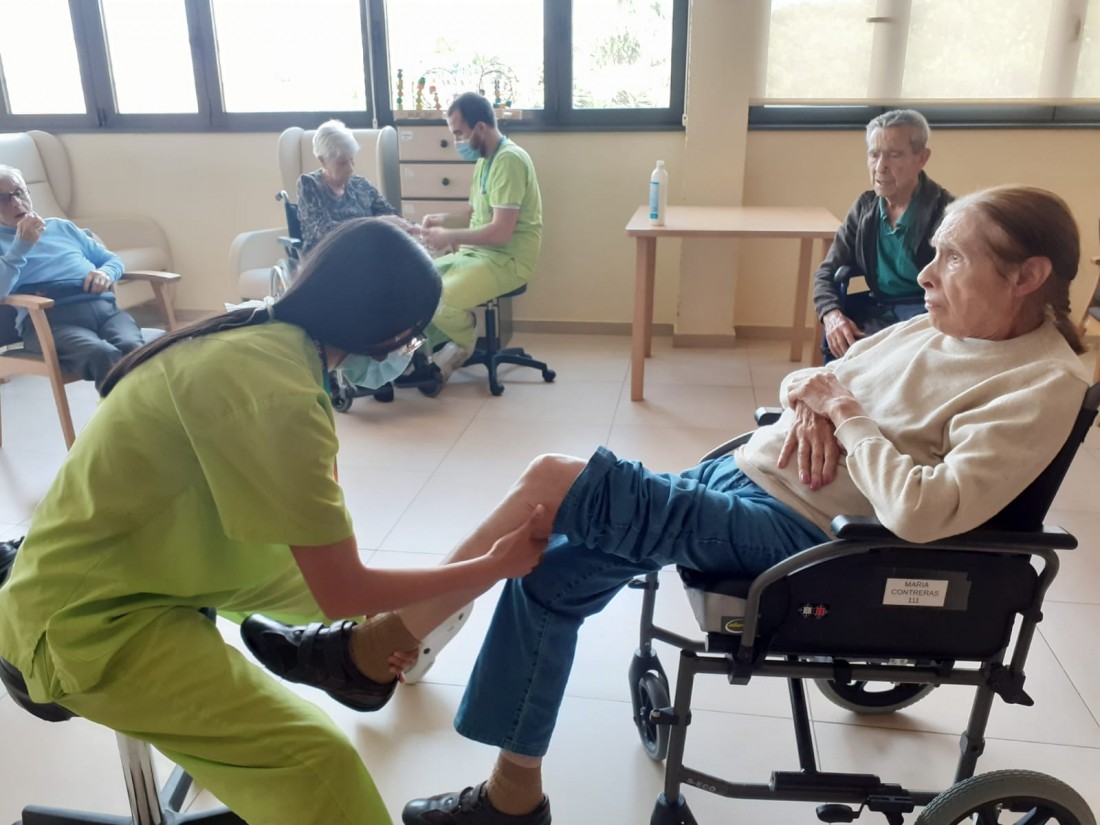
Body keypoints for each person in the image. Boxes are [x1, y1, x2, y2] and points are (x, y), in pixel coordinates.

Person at [244, 186, 1090, 824]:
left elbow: (927, 510)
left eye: (953, 258)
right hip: (745, 482)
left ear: (1028, 276)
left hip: (805, 541)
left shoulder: (1038, 383)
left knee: (554, 476)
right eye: (933, 254)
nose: (928, 273)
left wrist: (847, 414)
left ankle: (374, 649)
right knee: (552, 573)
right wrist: (812, 404)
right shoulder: (937, 324)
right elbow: (817, 375)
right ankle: (511, 796)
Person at [0, 218, 550, 825]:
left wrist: (372, 625)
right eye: (415, 339)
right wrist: (492, 566)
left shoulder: (260, 331)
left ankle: (352, 655)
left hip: (146, 561)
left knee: (350, 609)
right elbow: (343, 586)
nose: (408, 351)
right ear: (390, 330)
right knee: (319, 762)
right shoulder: (278, 394)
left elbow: (310, 555)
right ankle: (350, 660)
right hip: (85, 623)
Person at [417, 92, 543, 384]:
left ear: (480, 128)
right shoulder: (486, 160)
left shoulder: (509, 161)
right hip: (478, 255)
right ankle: (428, 356)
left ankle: (464, 343)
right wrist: (441, 219)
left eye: (459, 133)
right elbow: (475, 212)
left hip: (508, 261)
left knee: (439, 299)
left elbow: (501, 231)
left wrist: (449, 235)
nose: (457, 142)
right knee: (418, 285)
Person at [814, 109, 954, 360]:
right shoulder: (865, 208)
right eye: (874, 154)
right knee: (843, 339)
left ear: (921, 158)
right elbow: (827, 272)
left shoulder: (947, 212)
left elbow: (960, 286)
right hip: (879, 308)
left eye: (894, 154)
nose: (881, 166)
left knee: (883, 358)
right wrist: (831, 314)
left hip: (926, 313)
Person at [0, 165, 147, 388]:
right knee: (102, 355)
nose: (16, 203)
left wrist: (105, 273)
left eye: (19, 192)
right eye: (3, 199)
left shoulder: (61, 227)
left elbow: (112, 260)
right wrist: (20, 246)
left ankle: (149, 408)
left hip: (105, 311)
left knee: (134, 350)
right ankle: (129, 410)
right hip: (51, 323)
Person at [297, 119, 414, 255]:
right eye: (342, 163)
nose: (350, 168)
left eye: (352, 160)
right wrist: (374, 223)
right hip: (326, 258)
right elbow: (325, 231)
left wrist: (414, 227)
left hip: (364, 254)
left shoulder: (361, 185)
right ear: (322, 160)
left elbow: (390, 215)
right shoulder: (309, 185)